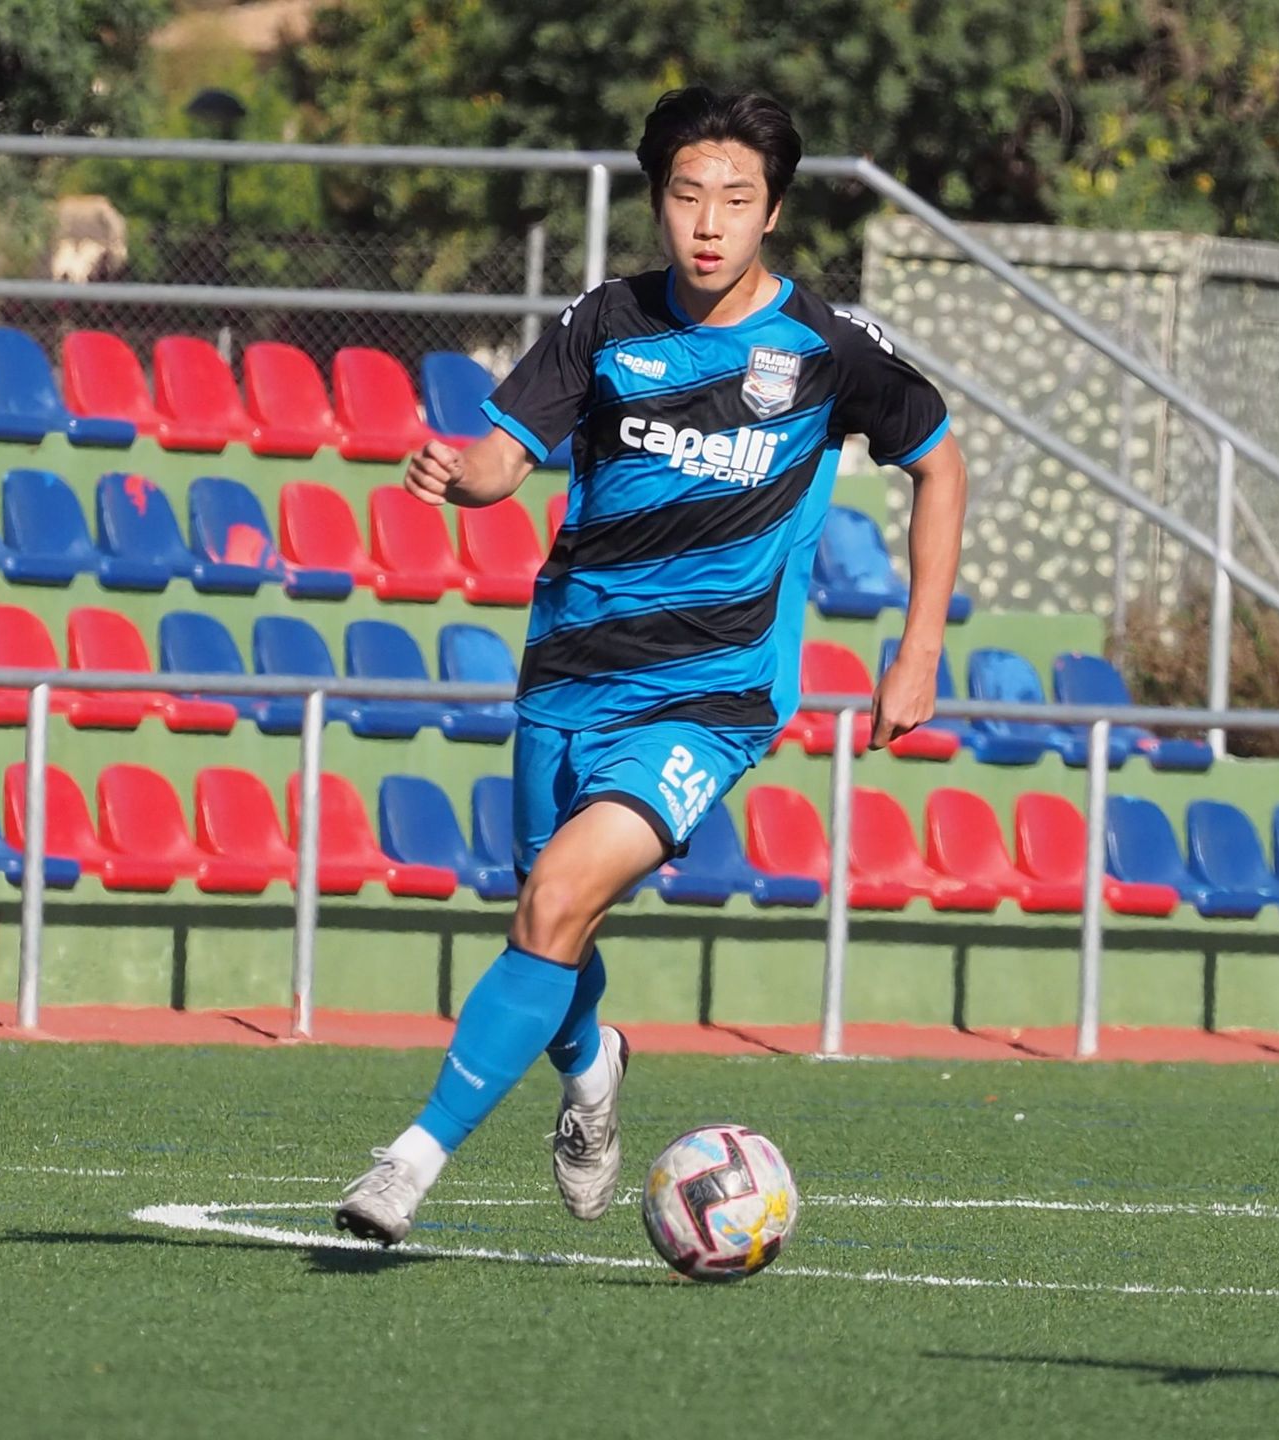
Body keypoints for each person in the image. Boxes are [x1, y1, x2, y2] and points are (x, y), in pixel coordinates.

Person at [337, 87, 967, 1245]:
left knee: (562, 895)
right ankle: (593, 1068)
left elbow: (940, 460)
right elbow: (501, 460)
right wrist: (458, 478)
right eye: (688, 196)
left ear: (772, 210)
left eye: (735, 198)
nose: (709, 222)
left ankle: (409, 1162)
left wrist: (916, 648)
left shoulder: (825, 351)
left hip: (712, 696)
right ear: (660, 203)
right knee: (544, 911)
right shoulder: (607, 320)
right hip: (568, 673)